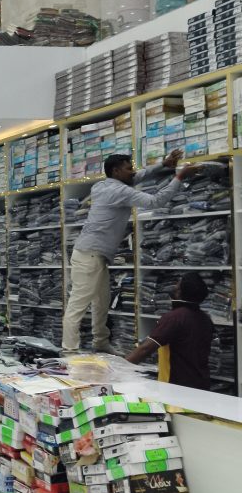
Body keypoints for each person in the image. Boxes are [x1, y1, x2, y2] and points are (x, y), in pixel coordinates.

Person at [63, 151, 199, 352]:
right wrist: (179, 177)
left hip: (92, 254)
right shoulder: (120, 191)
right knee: (78, 305)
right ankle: (69, 350)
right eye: (128, 168)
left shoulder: (101, 186)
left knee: (102, 302)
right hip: (90, 255)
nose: (133, 172)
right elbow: (155, 201)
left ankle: (100, 342)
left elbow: (137, 177)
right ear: (116, 171)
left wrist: (163, 165)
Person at [126, 273, 213, 391]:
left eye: (177, 285)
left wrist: (117, 369)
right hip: (201, 385)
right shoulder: (205, 319)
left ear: (180, 291)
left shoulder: (174, 318)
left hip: (176, 387)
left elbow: (145, 349)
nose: (174, 287)